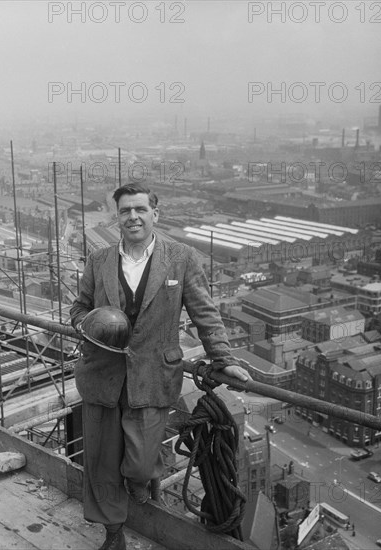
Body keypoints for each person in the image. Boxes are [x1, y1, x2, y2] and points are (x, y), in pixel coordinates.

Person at [70, 183, 251, 550]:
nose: (132, 217)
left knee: (139, 461)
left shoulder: (181, 258)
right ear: (116, 216)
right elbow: (79, 308)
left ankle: (140, 479)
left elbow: (205, 313)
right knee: (102, 461)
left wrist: (224, 360)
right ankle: (112, 531)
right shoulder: (98, 260)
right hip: (102, 375)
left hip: (153, 376)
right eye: (125, 211)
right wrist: (90, 324)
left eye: (140, 209)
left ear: (156, 213)